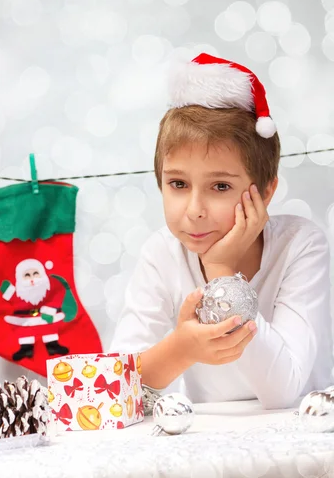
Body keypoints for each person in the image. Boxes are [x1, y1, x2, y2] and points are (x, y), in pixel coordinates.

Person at [110, 52, 333, 409]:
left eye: (220, 187)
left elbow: (282, 391)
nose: (195, 211)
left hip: (302, 438)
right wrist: (181, 348)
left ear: (266, 190)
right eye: (179, 184)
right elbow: (115, 385)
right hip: (213, 445)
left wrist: (221, 272)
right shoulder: (162, 253)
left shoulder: (300, 245)